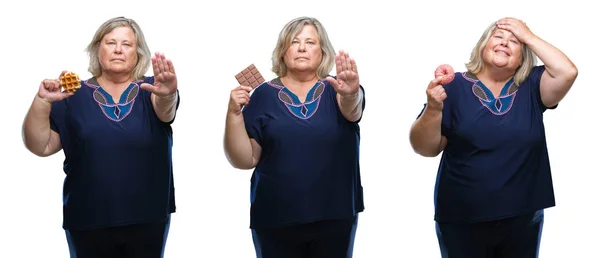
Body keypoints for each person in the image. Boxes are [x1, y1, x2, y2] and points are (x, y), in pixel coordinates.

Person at [409, 17, 578, 258]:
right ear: (483, 46)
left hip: (522, 216)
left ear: (524, 56)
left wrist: (528, 35)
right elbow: (424, 148)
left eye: (514, 41)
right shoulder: (453, 86)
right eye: (498, 37)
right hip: (462, 218)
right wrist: (434, 108)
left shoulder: (533, 84)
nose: (504, 43)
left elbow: (568, 71)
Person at [22, 16, 180, 258]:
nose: (118, 49)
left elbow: (166, 112)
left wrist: (168, 94)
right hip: (87, 218)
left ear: (138, 53)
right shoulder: (71, 95)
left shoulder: (154, 88)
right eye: (110, 43)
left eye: (127, 44)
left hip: (148, 217)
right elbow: (40, 145)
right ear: (97, 49)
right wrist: (42, 100)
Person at [224, 16, 366, 258]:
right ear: (283, 51)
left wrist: (352, 93)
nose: (302, 47)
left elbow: (352, 111)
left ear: (323, 52)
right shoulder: (262, 95)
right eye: (294, 42)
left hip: (334, 214)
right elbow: (244, 160)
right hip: (275, 217)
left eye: (310, 42)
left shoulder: (341, 88)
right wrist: (234, 113)